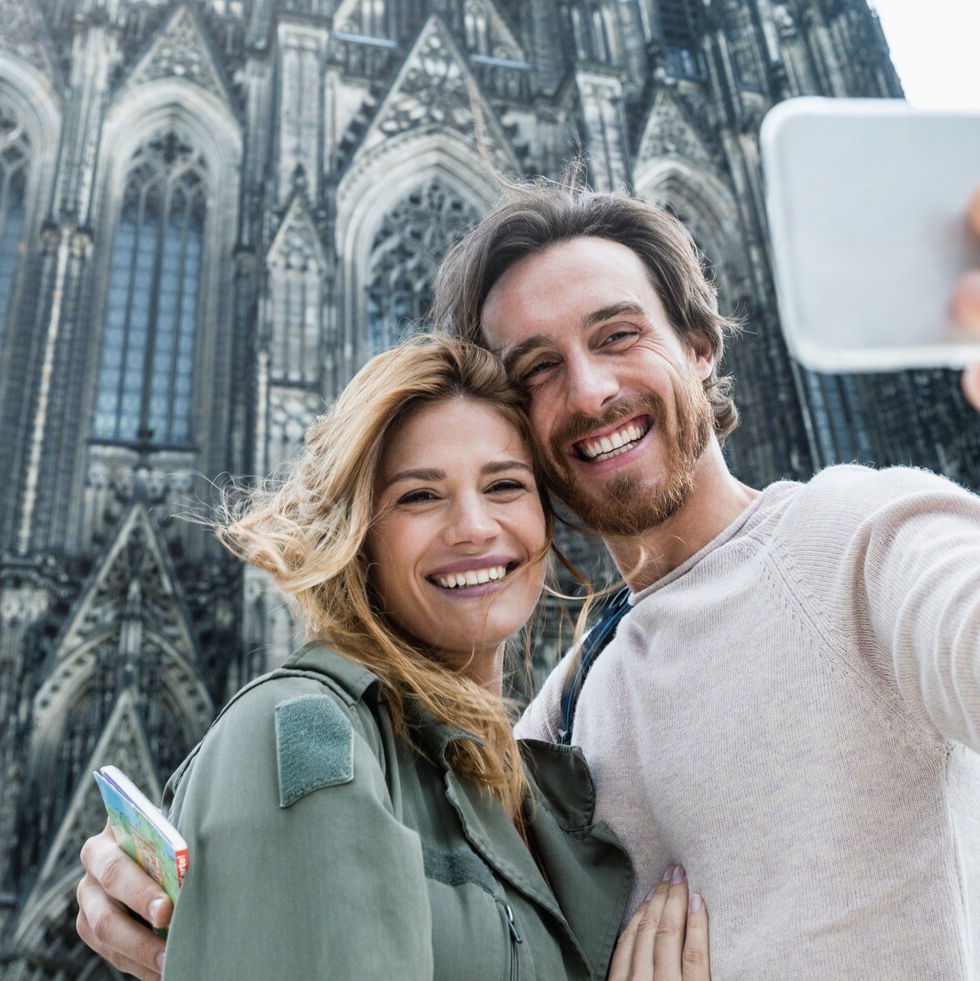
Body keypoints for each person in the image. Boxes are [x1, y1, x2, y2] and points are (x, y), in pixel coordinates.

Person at [79, 101, 980, 977]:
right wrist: (215, 929)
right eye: (536, 368)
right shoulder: (552, 719)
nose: (590, 392)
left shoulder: (854, 543)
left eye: (617, 336)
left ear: (700, 347)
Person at [149, 336, 713, 980]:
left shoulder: (543, 789)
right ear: (357, 530)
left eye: (504, 484)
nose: (473, 526)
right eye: (419, 496)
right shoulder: (303, 732)